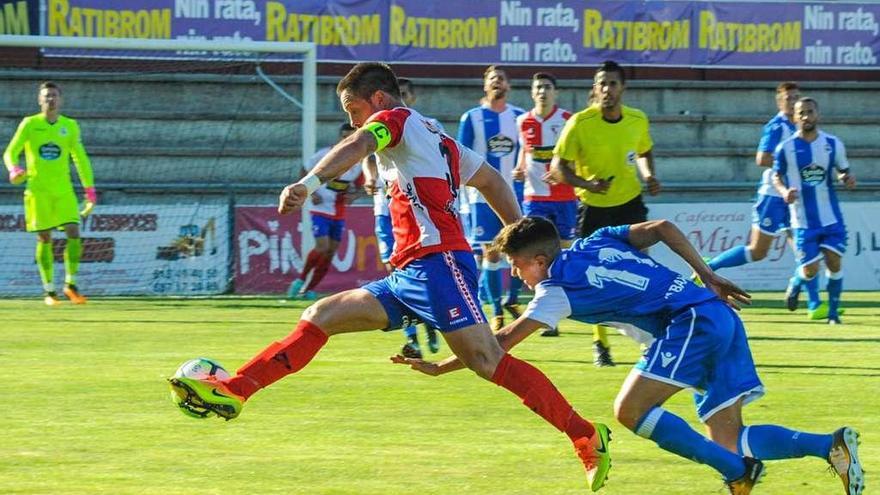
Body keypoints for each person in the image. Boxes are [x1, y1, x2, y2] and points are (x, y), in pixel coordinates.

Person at [169, 62, 612, 492]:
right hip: (409, 273)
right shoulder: (435, 134)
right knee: (320, 314)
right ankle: (236, 389)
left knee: (487, 360)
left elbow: (361, 143)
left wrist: (309, 182)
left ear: (377, 99)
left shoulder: (394, 120)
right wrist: (520, 239)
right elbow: (493, 181)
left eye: (352, 109)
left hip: (439, 264)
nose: (352, 119)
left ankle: (585, 435)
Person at [396, 216, 864, 495]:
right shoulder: (598, 240)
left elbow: (497, 348)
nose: (516, 275)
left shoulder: (554, 292)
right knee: (728, 434)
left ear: (537, 261)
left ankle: (738, 472)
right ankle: (829, 446)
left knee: (630, 410)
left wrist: (441, 366)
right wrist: (708, 275)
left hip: (692, 324)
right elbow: (661, 228)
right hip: (716, 315)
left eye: (517, 266)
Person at [549, 60, 660, 367]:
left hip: (630, 203)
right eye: (602, 84)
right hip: (594, 209)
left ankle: (649, 341)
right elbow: (558, 168)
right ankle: (601, 343)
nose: (607, 89)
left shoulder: (637, 119)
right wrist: (586, 184)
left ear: (622, 87)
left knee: (644, 269)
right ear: (594, 89)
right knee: (594, 277)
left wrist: (649, 174)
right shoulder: (580, 123)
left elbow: (644, 151)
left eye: (613, 83)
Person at [701, 82, 832, 319]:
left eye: (797, 97)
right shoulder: (776, 127)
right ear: (779, 102)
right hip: (773, 196)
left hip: (796, 198)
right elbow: (761, 159)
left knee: (807, 252)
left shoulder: (803, 128)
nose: (793, 102)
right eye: (788, 98)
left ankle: (814, 305)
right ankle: (710, 266)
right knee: (757, 251)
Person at [3, 81, 96, 306]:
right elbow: (10, 152)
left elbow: (80, 159)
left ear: (60, 99)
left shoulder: (70, 126)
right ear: (39, 100)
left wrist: (89, 190)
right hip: (37, 191)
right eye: (46, 96)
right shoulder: (29, 124)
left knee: (74, 232)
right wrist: (14, 169)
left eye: (54, 96)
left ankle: (70, 285)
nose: (50, 99)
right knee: (44, 237)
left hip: (63, 190)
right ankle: (49, 291)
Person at [774, 98, 856, 325]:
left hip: (831, 216)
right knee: (810, 270)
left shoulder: (832, 143)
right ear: (794, 116)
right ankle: (797, 281)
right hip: (802, 220)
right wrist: (783, 191)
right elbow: (776, 175)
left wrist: (846, 178)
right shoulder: (786, 148)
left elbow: (843, 170)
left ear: (817, 114)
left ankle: (833, 313)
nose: (806, 117)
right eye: (801, 113)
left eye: (810, 112)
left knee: (834, 262)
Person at [458, 65, 526, 331]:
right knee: (492, 252)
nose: (497, 82)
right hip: (480, 197)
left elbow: (526, 152)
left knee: (522, 248)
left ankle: (511, 299)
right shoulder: (472, 118)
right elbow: (460, 155)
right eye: (492, 79)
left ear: (508, 86)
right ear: (485, 86)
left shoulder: (520, 117)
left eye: (502, 79)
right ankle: (496, 310)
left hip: (515, 194)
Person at [513, 72, 576, 337]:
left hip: (564, 198)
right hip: (534, 198)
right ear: (532, 92)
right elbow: (525, 151)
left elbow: (577, 153)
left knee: (563, 254)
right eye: (538, 87)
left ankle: (566, 306)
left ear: (556, 92)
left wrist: (566, 170)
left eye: (547, 87)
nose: (542, 91)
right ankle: (548, 318)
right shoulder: (523, 121)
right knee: (535, 256)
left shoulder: (567, 120)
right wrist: (518, 167)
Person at [287, 123, 363, 299]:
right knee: (322, 247)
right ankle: (300, 280)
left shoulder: (359, 162)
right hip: (319, 208)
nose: (347, 139)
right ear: (340, 137)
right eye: (344, 136)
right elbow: (304, 169)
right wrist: (309, 192)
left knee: (330, 252)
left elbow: (360, 186)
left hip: (339, 211)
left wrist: (353, 197)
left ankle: (309, 289)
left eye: (351, 136)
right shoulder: (326, 154)